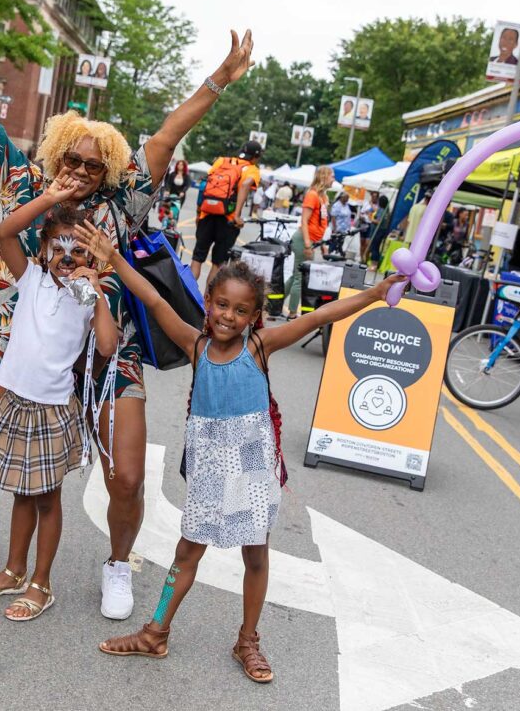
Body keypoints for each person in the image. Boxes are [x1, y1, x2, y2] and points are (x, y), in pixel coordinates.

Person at [0, 0, 254, 620]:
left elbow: (168, 134)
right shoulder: (30, 188)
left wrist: (218, 80)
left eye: (94, 163)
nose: (82, 169)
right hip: (35, 356)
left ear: (109, 168)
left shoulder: (123, 203)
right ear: (55, 155)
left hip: (112, 356)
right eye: (72, 158)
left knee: (129, 477)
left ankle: (118, 563)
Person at [74, 228, 405, 682]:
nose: (228, 316)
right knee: (188, 551)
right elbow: (152, 298)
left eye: (241, 310)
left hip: (252, 466)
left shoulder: (260, 347)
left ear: (255, 316)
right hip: (211, 467)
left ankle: (247, 640)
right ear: (207, 300)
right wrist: (113, 257)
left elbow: (321, 316)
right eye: (221, 304)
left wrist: (374, 293)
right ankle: (155, 633)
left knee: (256, 555)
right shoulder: (195, 344)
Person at [0, 176, 119, 621]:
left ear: (90, 257)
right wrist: (50, 198)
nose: (67, 258)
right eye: (59, 249)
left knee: (47, 498)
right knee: (20, 492)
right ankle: (14, 570)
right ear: (44, 252)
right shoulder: (31, 278)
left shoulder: (88, 298)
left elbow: (107, 347)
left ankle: (41, 582)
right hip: (15, 400)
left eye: (78, 251)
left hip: (53, 410)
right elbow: (5, 232)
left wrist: (99, 294)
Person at [191, 140, 262, 287]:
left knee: (197, 259)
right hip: (228, 220)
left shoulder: (221, 161)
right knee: (218, 264)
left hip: (207, 214)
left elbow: (205, 185)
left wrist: (199, 213)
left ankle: (185, 296)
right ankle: (207, 304)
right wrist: (237, 215)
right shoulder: (252, 169)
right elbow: (245, 184)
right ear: (255, 157)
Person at [279, 166, 333, 320]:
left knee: (296, 275)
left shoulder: (323, 197)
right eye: (332, 176)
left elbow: (320, 223)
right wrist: (308, 245)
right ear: (324, 177)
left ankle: (275, 303)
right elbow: (304, 221)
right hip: (304, 240)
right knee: (300, 278)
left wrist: (321, 244)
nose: (333, 179)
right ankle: (292, 312)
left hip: (310, 241)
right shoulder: (312, 195)